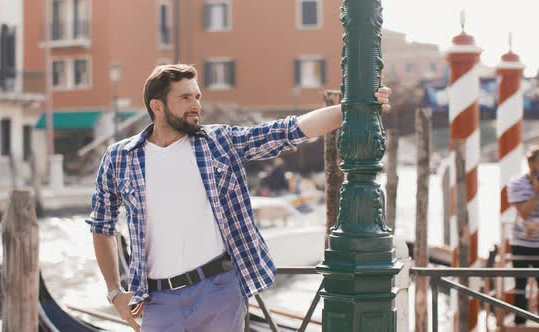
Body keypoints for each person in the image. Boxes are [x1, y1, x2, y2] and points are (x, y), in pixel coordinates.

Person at [86, 64, 392, 331]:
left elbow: (288, 131)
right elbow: (102, 226)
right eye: (185, 98)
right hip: (156, 302)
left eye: (197, 96)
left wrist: (355, 107)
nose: (196, 105)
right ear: (157, 106)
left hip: (217, 291)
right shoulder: (120, 157)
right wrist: (115, 292)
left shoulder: (218, 142)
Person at [507, 146, 539, 326]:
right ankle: (520, 323)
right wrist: (536, 192)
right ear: (531, 163)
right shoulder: (517, 183)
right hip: (522, 244)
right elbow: (524, 214)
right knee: (520, 286)